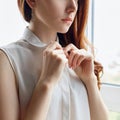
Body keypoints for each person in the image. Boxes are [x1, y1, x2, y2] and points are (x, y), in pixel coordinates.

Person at [0, 0, 109, 120]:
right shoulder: (7, 60)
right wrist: (46, 82)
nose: (73, 7)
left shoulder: (78, 60)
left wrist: (90, 81)